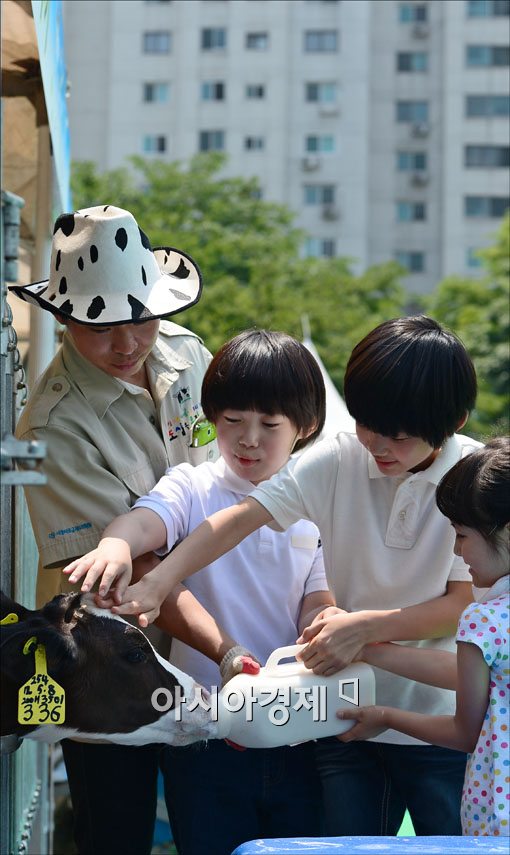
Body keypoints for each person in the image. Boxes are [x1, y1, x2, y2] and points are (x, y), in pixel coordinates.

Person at [75, 315, 482, 836]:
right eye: (365, 425)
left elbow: (463, 602)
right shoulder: (339, 460)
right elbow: (238, 519)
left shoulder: (472, 479)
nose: (377, 446)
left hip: (439, 724)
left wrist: (362, 627)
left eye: (397, 438)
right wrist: (159, 578)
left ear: (455, 423)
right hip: (341, 717)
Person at [64, 329, 335, 855]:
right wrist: (117, 547)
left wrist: (321, 629)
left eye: (269, 424)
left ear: (307, 427)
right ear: (210, 418)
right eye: (232, 421)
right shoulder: (191, 485)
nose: (248, 439)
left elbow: (317, 597)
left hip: (297, 725)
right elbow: (142, 524)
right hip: (203, 728)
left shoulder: (320, 503)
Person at [9, 204, 217, 855]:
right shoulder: (52, 426)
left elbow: (230, 468)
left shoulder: (188, 355)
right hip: (113, 675)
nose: (128, 342)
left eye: (142, 317)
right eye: (101, 327)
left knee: (216, 825)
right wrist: (225, 641)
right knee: (118, 831)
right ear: (64, 320)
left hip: (216, 644)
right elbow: (128, 571)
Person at [338, 437, 510, 837]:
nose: (457, 549)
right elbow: (468, 673)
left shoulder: (484, 620)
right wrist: (370, 650)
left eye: (463, 535)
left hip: (496, 822)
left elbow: (465, 732)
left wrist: (385, 716)